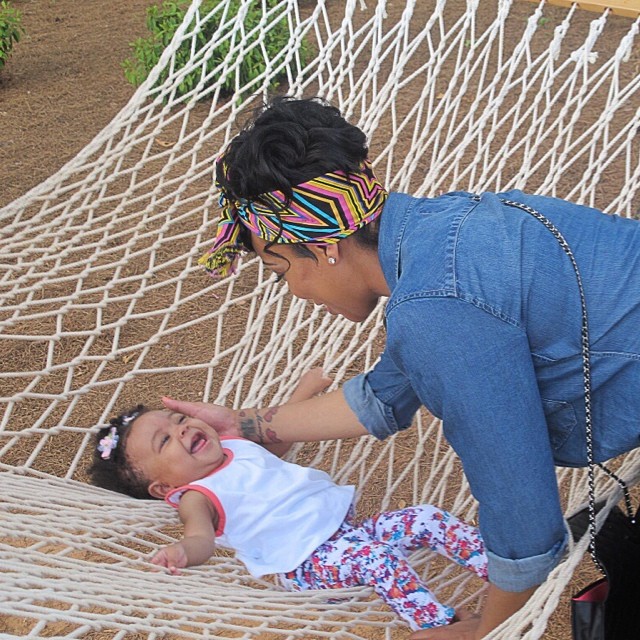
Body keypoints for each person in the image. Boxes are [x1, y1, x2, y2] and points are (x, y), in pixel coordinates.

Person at [162, 95, 640, 639]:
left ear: (322, 245)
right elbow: (384, 394)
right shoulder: (447, 227)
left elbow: (524, 521)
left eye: (280, 270)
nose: (294, 291)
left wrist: (482, 632)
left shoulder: (436, 307)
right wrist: (243, 425)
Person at [89, 368, 488, 633]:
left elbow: (278, 442)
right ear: (163, 489)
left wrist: (306, 389)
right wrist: (181, 553)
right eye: (164, 441)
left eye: (178, 420)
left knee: (426, 517)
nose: (180, 430)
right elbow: (200, 538)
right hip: (309, 565)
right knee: (378, 560)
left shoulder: (232, 446)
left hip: (348, 534)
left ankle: (496, 566)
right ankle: (438, 627)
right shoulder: (198, 496)